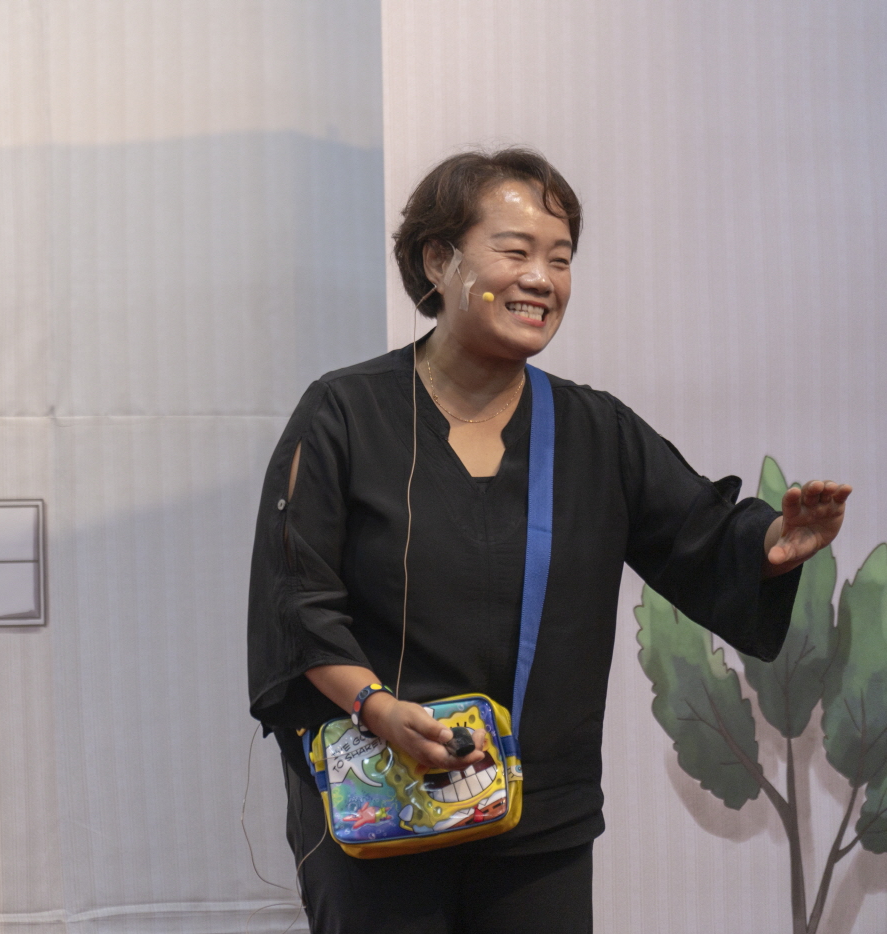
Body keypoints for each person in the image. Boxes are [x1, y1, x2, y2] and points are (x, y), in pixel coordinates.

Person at [246, 148, 851, 933]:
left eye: (560, 260)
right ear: (438, 260)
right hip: (380, 799)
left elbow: (701, 531)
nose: (542, 279)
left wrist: (770, 542)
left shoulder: (595, 430)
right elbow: (297, 598)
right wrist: (378, 708)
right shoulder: (344, 414)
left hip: (537, 815)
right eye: (516, 251)